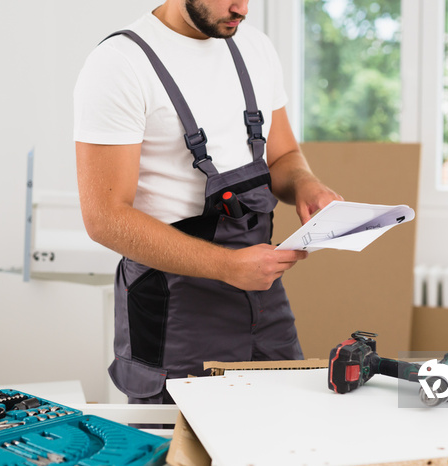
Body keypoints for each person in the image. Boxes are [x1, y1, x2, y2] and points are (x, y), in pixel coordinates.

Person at [74, 0, 342, 404]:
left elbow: (282, 157)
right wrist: (227, 266)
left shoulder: (256, 48)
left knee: (285, 434)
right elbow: (104, 218)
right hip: (175, 311)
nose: (242, 8)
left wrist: (307, 185)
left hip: (263, 299)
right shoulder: (120, 64)